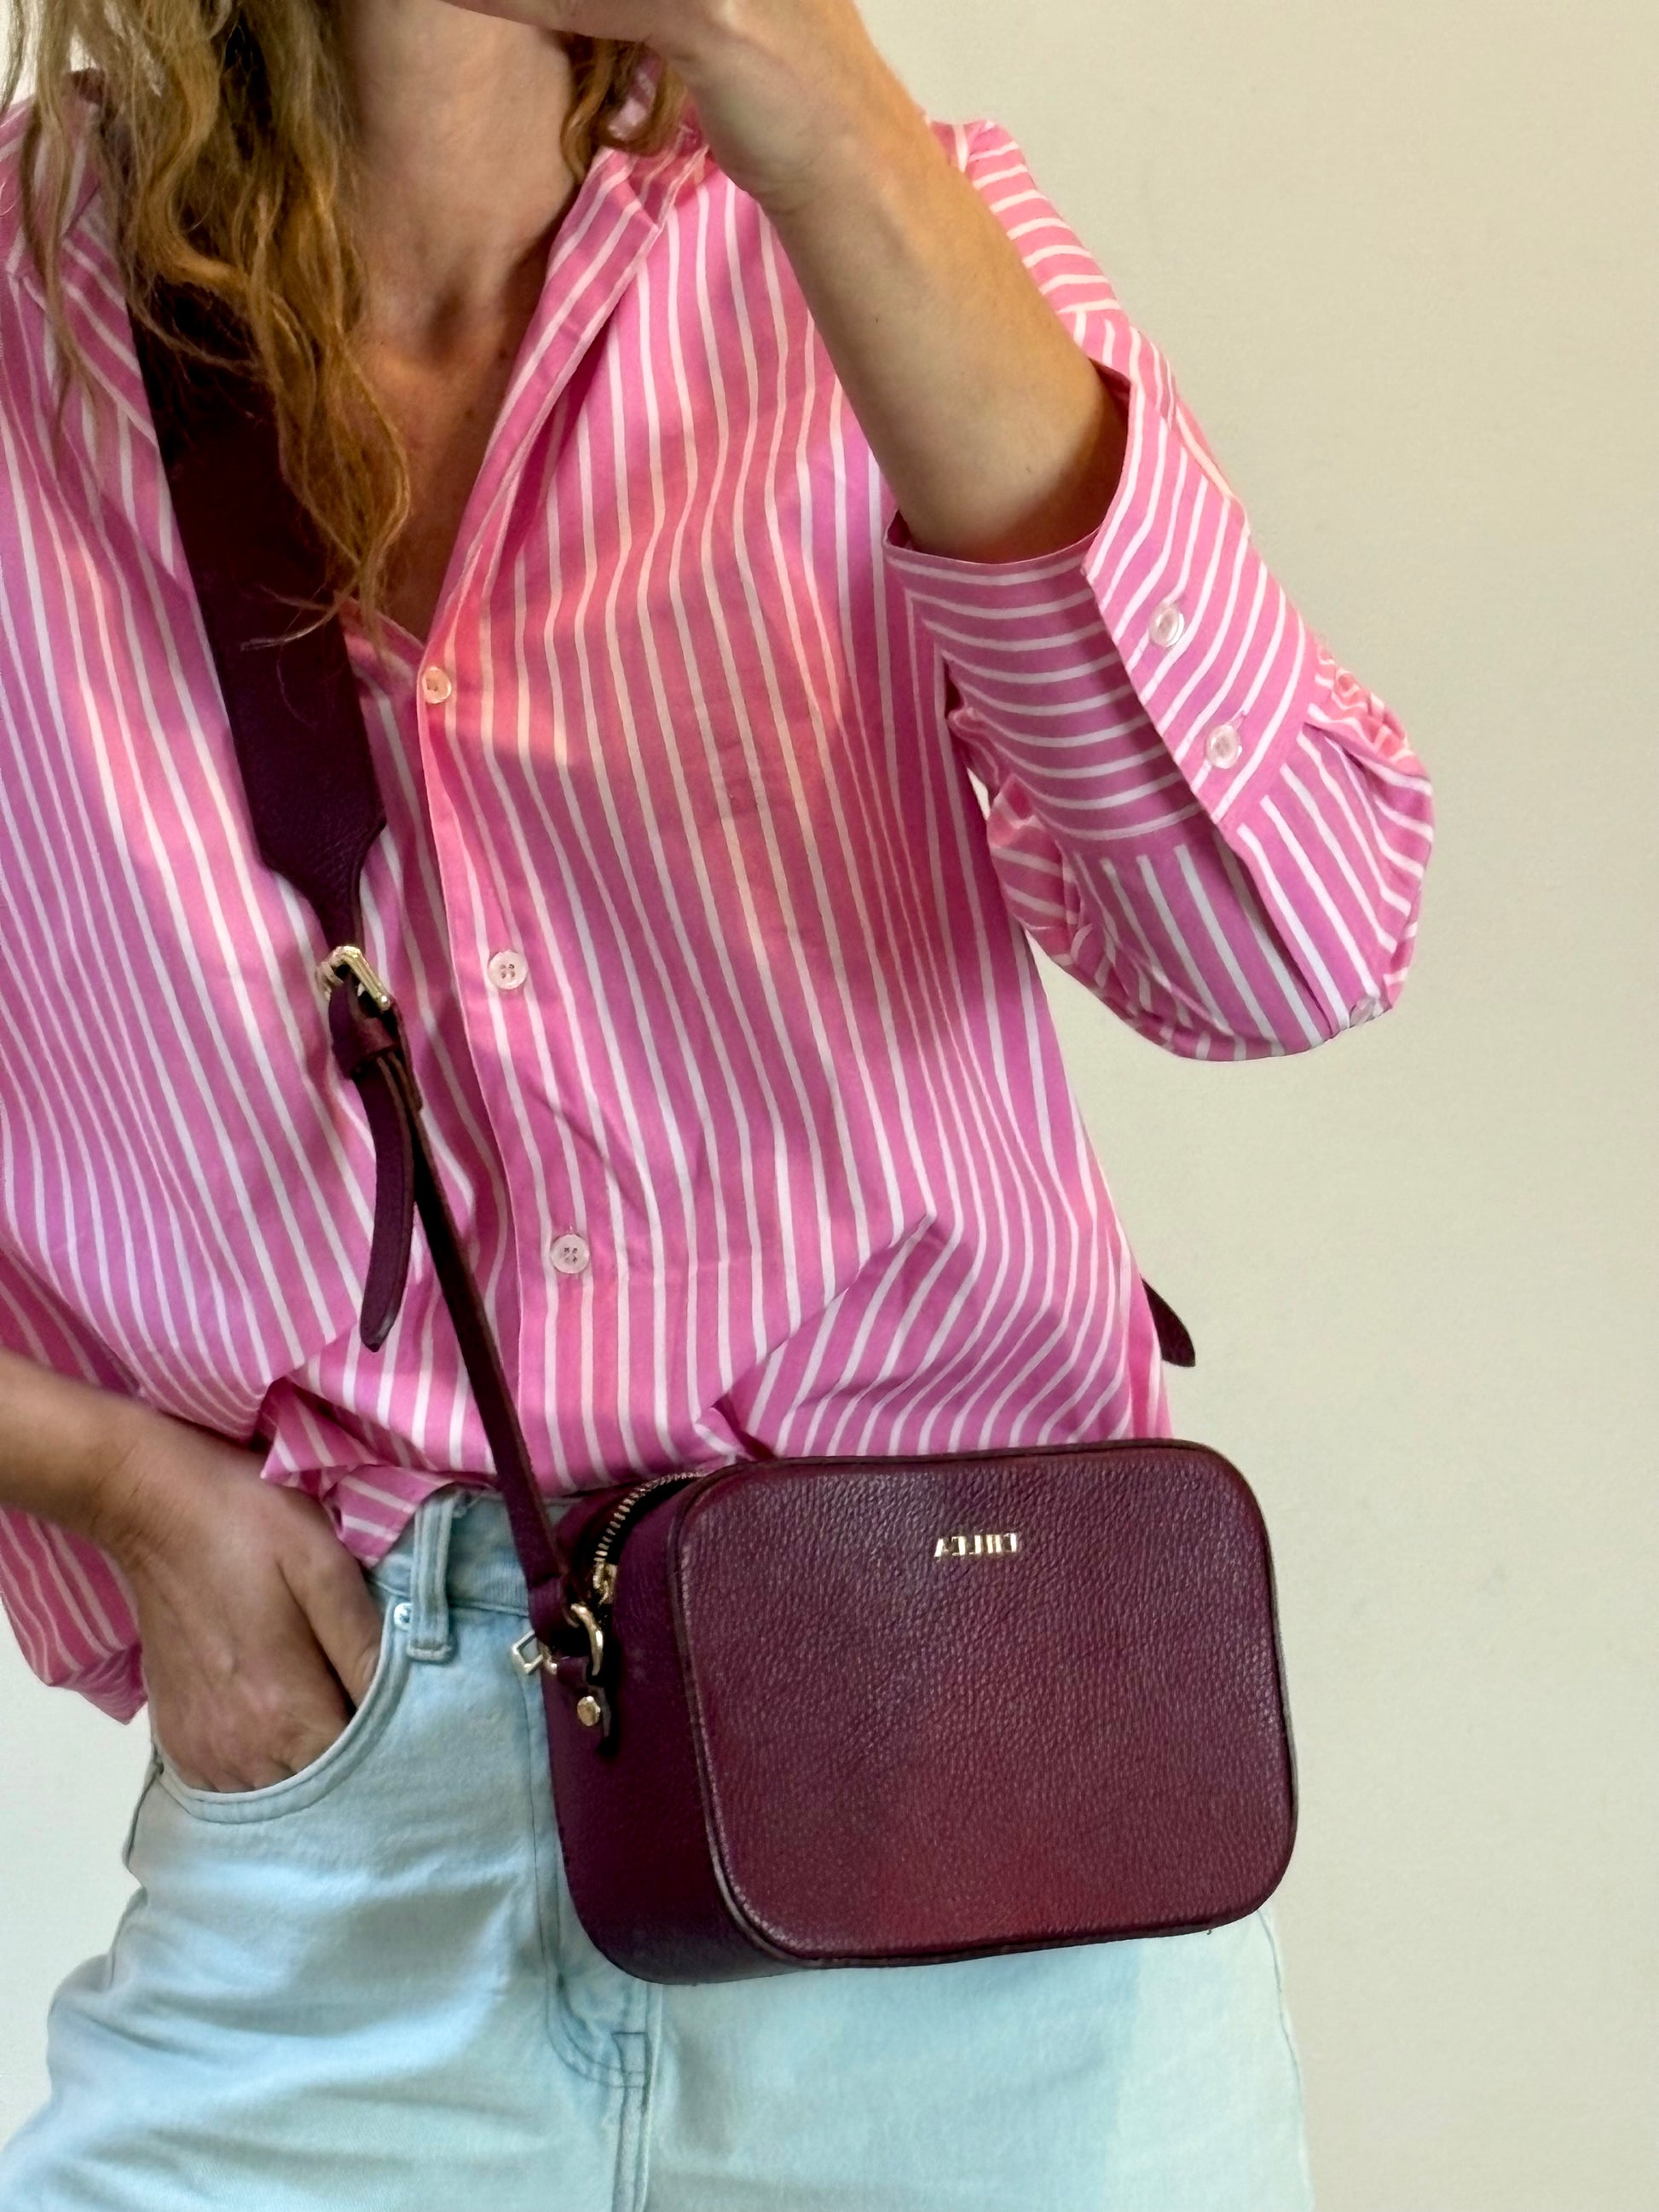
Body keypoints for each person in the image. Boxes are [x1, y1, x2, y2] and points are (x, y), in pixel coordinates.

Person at [0, 0, 1433, 2203]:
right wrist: (109, 1480)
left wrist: (821, 111)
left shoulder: (872, 244)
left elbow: (1288, 937)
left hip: (985, 1858)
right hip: (338, 1850)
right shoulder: (33, 343)